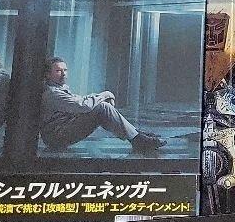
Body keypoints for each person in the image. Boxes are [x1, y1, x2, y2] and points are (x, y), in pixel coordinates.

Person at [39, 57, 167, 152]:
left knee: (101, 106)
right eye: (58, 71)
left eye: (65, 70)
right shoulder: (52, 93)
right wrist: (105, 95)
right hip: (57, 137)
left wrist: (101, 97)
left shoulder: (59, 89)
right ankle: (137, 139)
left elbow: (81, 100)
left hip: (61, 131)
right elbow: (83, 106)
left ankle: (135, 135)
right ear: (48, 75)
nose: (64, 74)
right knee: (102, 108)